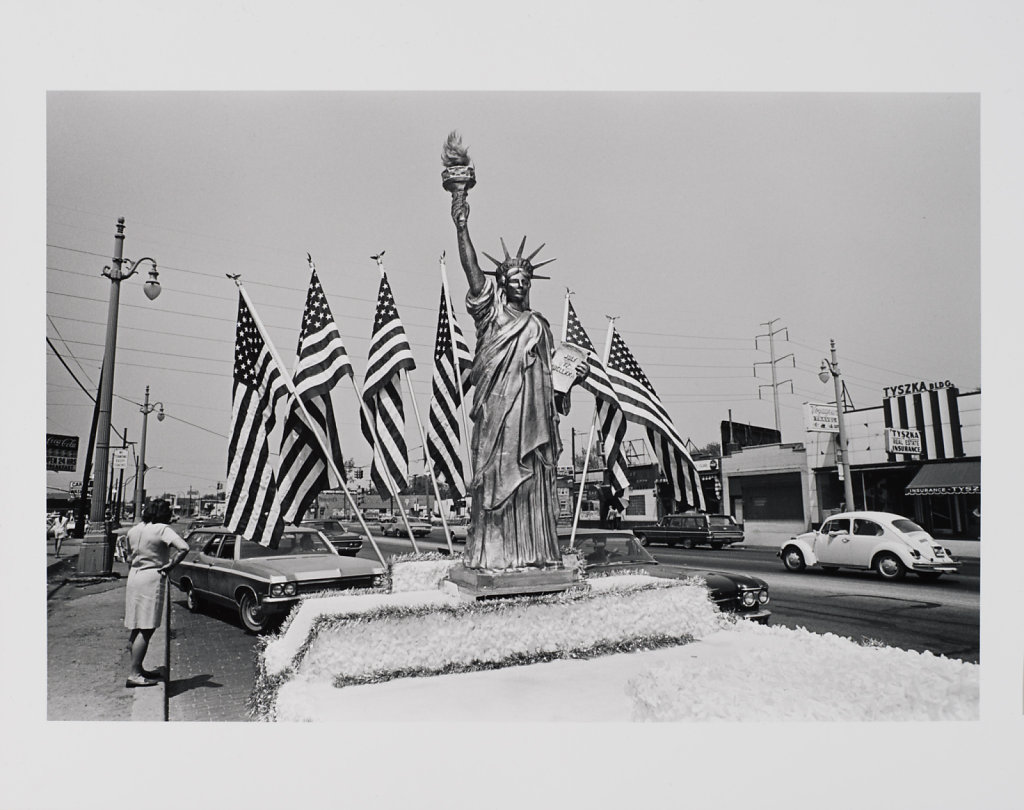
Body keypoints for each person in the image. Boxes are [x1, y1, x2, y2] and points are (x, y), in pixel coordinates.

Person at [451, 193, 586, 570]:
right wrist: (462, 225)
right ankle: (494, 554)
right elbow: (473, 272)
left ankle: (535, 553)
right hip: (499, 417)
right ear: (502, 284)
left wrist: (571, 380)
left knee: (533, 484)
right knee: (496, 482)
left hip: (535, 425)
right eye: (513, 279)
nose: (521, 284)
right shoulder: (492, 316)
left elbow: (552, 384)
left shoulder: (540, 325)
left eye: (526, 279)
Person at [123, 499, 189, 688]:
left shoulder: (134, 530)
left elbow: (128, 556)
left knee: (137, 625)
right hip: (153, 576)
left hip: (134, 576)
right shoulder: (162, 529)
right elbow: (184, 547)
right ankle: (134, 674)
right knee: (147, 627)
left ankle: (138, 667)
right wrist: (171, 565)